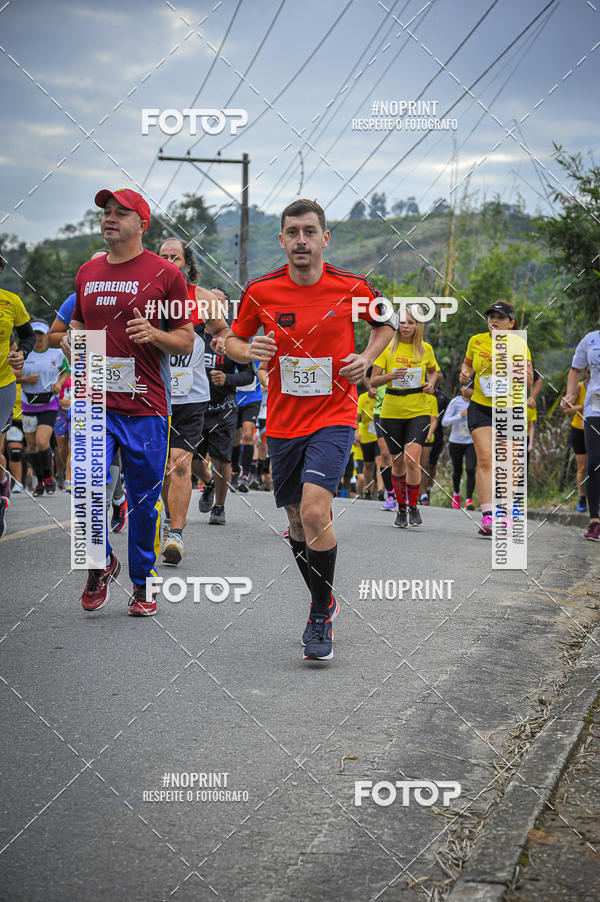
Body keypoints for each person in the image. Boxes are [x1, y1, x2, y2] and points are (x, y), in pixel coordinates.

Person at [225, 198, 396, 661]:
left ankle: (320, 610)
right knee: (297, 523)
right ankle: (324, 599)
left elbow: (387, 323)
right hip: (283, 422)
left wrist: (367, 357)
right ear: (281, 239)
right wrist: (248, 351)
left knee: (316, 512)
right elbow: (231, 339)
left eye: (309, 231)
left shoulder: (352, 286)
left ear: (324, 238)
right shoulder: (261, 291)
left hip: (335, 416)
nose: (301, 239)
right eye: (292, 232)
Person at [70, 187, 194, 614]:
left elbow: (185, 340)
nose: (110, 218)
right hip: (93, 401)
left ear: (142, 224)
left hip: (146, 405)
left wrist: (155, 334)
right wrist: (73, 344)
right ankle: (100, 562)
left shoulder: (165, 274)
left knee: (143, 501)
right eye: (106, 212)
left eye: (121, 213)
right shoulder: (87, 272)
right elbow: (77, 324)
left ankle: (143, 580)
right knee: (84, 485)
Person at [157, 239, 227, 564]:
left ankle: (176, 534)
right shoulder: (146, 297)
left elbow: (223, 332)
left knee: (180, 463)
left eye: (176, 257)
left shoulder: (203, 298)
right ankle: (169, 519)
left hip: (191, 396)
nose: (170, 261)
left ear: (187, 263)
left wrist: (225, 344)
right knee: (161, 469)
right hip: (154, 392)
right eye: (164, 256)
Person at [460, 301, 533, 537]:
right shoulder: (476, 340)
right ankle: (489, 516)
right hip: (481, 406)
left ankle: (507, 514)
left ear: (511, 323)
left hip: (510, 408)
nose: (494, 321)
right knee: (486, 458)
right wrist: (465, 372)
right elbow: (468, 364)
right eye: (491, 316)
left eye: (500, 318)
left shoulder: (519, 344)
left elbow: (529, 379)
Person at [371, 305, 438, 528]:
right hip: (391, 410)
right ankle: (401, 510)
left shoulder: (425, 348)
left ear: (417, 326)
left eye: (411, 322)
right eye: (403, 322)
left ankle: (414, 506)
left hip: (418, 410)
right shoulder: (387, 348)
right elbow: (373, 380)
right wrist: (391, 375)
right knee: (397, 462)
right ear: (396, 324)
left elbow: (433, 372)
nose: (406, 326)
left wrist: (431, 384)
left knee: (412, 458)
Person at [193, 331, 254, 525]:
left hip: (224, 409)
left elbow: (248, 375)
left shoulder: (233, 338)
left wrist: (227, 379)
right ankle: (209, 483)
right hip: (195, 407)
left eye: (218, 302)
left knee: (221, 461)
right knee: (191, 460)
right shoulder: (191, 332)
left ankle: (219, 506)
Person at [0, 258, 35, 534]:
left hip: (3, 384)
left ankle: (1, 497)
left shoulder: (11, 302)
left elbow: (28, 336)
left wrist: (22, 352)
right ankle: (3, 483)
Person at [20, 321, 70, 496]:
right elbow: (12, 376)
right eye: (36, 334)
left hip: (49, 403)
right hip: (28, 404)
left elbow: (66, 370)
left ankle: (48, 478)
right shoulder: (23, 353)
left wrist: (59, 383)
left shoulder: (56, 353)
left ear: (48, 335)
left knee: (42, 442)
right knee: (32, 447)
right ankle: (39, 481)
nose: (39, 338)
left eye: (42, 334)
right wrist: (26, 380)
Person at [563, 338, 600, 539]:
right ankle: (594, 521)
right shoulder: (591, 339)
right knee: (593, 463)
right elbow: (575, 369)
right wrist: (569, 395)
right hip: (594, 409)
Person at [443, 386, 477, 509]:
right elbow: (444, 422)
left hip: (471, 441)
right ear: (462, 388)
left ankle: (469, 499)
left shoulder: (477, 402)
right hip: (456, 441)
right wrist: (460, 416)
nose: (470, 391)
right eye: (468, 388)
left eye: (472, 388)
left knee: (471, 469)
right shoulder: (455, 402)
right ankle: (456, 494)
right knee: (457, 470)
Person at [562, 370, 588, 512]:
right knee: (582, 467)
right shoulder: (579, 387)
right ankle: (582, 497)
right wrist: (581, 407)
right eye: (588, 371)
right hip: (578, 430)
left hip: (594, 429)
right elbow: (566, 410)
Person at [356, 382, 378, 498]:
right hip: (366, 434)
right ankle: (367, 490)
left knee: (381, 460)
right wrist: (356, 432)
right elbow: (357, 418)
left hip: (380, 434)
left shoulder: (384, 396)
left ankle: (381, 491)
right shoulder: (363, 397)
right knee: (368, 464)